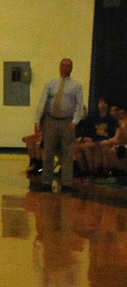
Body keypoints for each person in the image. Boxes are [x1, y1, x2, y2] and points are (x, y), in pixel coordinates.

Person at [34, 58, 84, 190]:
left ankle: (67, 183)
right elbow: (42, 102)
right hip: (51, 120)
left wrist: (75, 121)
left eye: (68, 66)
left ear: (71, 68)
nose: (65, 68)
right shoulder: (51, 83)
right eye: (62, 65)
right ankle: (46, 182)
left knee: (67, 153)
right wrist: (37, 120)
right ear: (59, 67)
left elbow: (79, 104)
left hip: (67, 122)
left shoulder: (76, 85)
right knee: (48, 151)